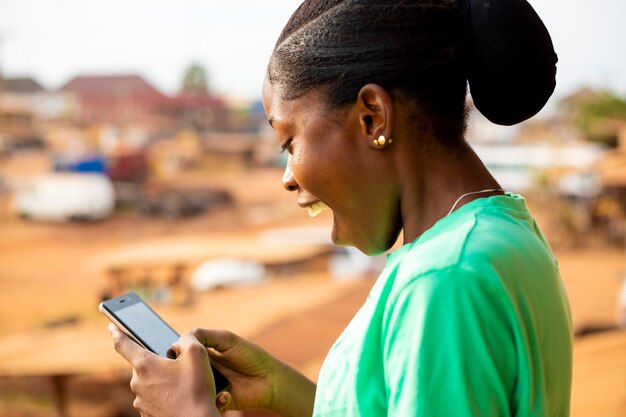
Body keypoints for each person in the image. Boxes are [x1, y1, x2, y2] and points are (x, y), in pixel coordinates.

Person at [109, 1, 573, 416]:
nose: (288, 177)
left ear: (372, 116)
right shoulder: (502, 233)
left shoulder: (442, 280)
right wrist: (286, 392)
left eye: (290, 141)